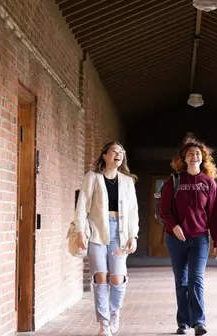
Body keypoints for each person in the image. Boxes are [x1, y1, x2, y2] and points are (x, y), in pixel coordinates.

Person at [159, 137, 217, 335]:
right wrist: (174, 225)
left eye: (197, 154)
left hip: (200, 238)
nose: (194, 156)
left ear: (202, 158)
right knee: (181, 280)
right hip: (176, 238)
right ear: (184, 158)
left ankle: (199, 322)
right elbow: (163, 209)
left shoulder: (209, 183)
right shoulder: (175, 181)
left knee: (196, 278)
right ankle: (183, 322)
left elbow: (214, 213)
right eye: (190, 154)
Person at [74, 141, 139, 336]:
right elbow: (82, 204)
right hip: (96, 232)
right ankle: (103, 323)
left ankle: (114, 312)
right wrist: (79, 231)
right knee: (100, 277)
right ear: (104, 155)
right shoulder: (92, 177)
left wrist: (133, 235)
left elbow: (133, 211)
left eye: (121, 151)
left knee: (117, 278)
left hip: (120, 233)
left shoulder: (127, 181)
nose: (118, 154)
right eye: (113, 151)